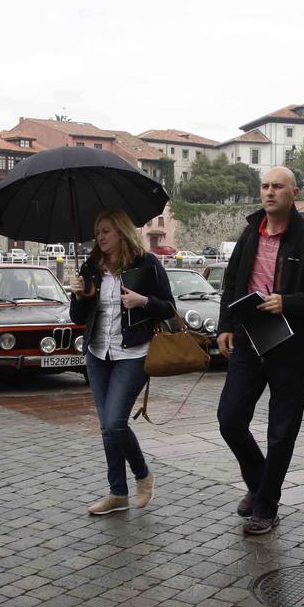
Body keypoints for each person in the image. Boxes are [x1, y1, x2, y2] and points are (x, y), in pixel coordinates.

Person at [216, 167, 304, 535]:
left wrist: (288, 302)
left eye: (277, 187)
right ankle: (260, 485)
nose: (269, 192)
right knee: (229, 420)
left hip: (292, 346)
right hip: (248, 339)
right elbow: (231, 282)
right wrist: (225, 325)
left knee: (281, 431)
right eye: (265, 186)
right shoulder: (250, 233)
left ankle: (266, 506)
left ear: (294, 193)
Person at [70, 210, 175, 515]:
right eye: (97, 232)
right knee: (106, 427)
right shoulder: (91, 266)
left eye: (105, 231)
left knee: (116, 422)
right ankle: (118, 493)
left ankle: (143, 476)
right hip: (97, 354)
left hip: (133, 354)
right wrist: (78, 296)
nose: (100, 237)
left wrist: (143, 301)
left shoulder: (146, 263)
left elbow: (169, 308)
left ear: (121, 232)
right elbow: (79, 319)